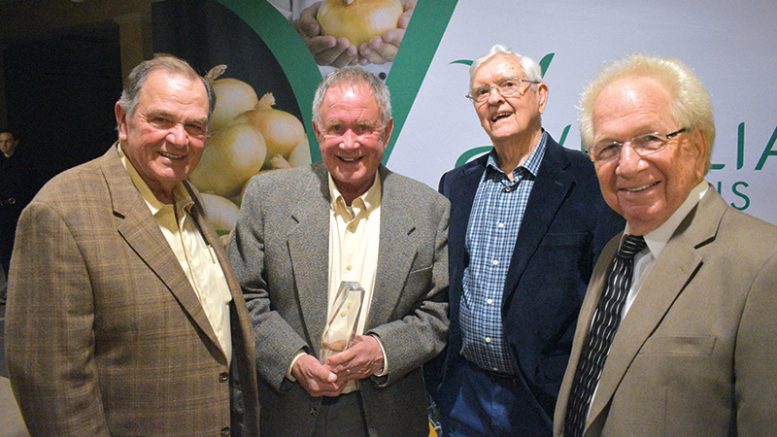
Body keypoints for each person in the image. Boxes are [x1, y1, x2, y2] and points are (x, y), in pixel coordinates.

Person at [5, 56, 260, 436]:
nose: (178, 138)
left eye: (195, 126)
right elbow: (52, 391)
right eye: (161, 120)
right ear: (123, 120)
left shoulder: (188, 197)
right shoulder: (59, 213)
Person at [553, 54, 777, 436]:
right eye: (608, 147)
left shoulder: (763, 265)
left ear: (698, 147)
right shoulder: (616, 252)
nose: (627, 165)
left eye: (649, 139)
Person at [229, 66, 449, 437]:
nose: (349, 143)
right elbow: (243, 296)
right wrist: (293, 359)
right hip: (288, 410)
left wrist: (381, 351)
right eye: (336, 129)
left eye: (364, 128)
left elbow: (438, 311)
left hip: (386, 414)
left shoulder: (429, 209)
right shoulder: (268, 197)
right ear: (317, 132)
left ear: (387, 131)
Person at [429, 45, 623, 436]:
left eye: (508, 85)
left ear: (541, 95)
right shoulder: (457, 184)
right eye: (481, 92)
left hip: (546, 400)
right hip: (466, 395)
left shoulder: (590, 180)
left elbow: (611, 298)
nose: (494, 99)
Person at [0, 128, 41, 302]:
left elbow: (31, 186)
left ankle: (25, 285)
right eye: (1, 142)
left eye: (7, 141)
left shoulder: (25, 163)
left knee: (24, 246)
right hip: (3, 212)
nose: (4, 145)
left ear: (15, 142)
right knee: (5, 249)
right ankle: (9, 284)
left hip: (19, 209)